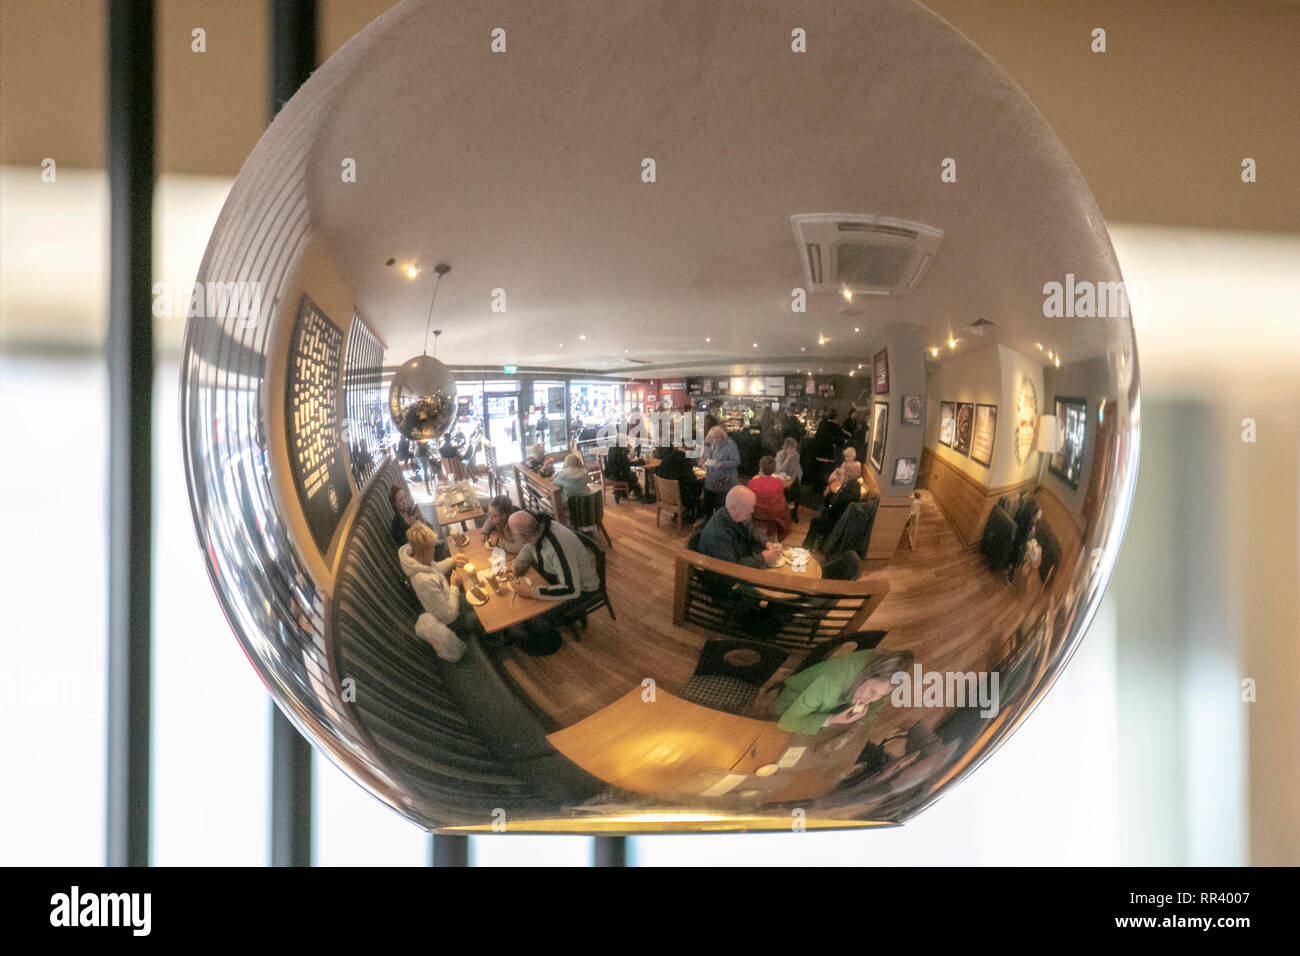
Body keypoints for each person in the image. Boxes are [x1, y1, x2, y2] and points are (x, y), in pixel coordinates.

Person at [507, 510, 600, 654]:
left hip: (584, 589)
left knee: (535, 611)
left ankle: (546, 642)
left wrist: (530, 592)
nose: (510, 534)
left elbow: (571, 590)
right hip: (559, 576)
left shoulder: (556, 547)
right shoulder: (538, 528)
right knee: (529, 602)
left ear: (522, 535)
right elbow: (528, 546)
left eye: (511, 531)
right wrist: (518, 563)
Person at [771, 648, 915, 734]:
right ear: (866, 676)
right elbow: (787, 722)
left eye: (880, 695)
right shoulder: (831, 681)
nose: (871, 700)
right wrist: (833, 720)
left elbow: (878, 700)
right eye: (872, 692)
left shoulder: (884, 670)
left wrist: (859, 723)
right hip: (790, 705)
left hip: (827, 704)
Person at [398, 522, 473, 662]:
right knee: (481, 619)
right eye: (432, 548)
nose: (434, 549)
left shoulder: (419, 561)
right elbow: (448, 616)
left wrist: (452, 561)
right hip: (453, 623)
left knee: (475, 594)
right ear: (423, 552)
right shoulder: (422, 581)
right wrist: (454, 586)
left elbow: (434, 568)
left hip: (449, 601)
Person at [803, 461, 863, 552]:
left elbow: (840, 504)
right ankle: (816, 544)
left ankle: (807, 548)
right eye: (847, 471)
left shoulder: (854, 487)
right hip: (834, 515)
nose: (846, 473)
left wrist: (829, 507)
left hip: (836, 521)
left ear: (855, 473)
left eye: (849, 471)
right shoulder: (849, 483)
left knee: (815, 522)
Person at [748, 455, 792, 542]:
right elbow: (781, 506)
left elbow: (747, 504)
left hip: (754, 521)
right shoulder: (778, 483)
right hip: (772, 522)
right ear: (774, 469)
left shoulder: (752, 483)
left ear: (761, 468)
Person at [699, 425, 740, 519]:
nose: (715, 441)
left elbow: (736, 461)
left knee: (721, 508)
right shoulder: (708, 444)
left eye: (718, 438)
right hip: (710, 480)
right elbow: (705, 458)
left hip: (724, 481)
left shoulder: (730, 445)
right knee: (708, 505)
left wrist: (721, 464)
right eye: (713, 438)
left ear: (723, 437)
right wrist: (703, 463)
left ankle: (720, 525)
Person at [655, 445, 701, 521]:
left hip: (664, 496)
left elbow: (657, 472)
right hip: (679, 498)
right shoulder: (685, 462)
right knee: (698, 486)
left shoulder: (666, 459)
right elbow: (692, 480)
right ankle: (693, 514)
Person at [389, 483, 426, 548]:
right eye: (400, 500)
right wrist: (412, 527)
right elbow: (406, 546)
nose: (404, 502)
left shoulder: (410, 511)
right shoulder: (396, 524)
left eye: (404, 498)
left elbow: (424, 526)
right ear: (394, 504)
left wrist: (420, 516)